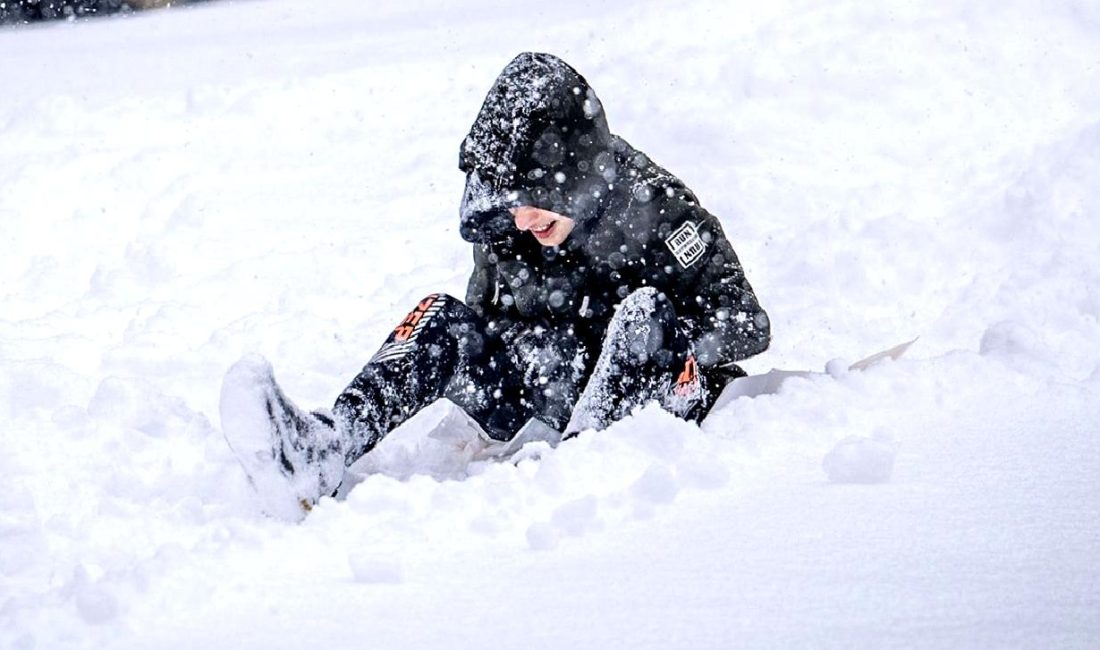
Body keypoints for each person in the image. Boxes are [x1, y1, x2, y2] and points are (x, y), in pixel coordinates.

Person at [219, 52, 770, 520]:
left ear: (573, 176)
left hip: (655, 401)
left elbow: (746, 320)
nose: (522, 220)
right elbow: (488, 315)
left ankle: (585, 469)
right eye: (512, 205)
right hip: (552, 390)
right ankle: (325, 450)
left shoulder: (653, 205)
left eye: (532, 201)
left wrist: (665, 348)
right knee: (441, 318)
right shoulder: (507, 220)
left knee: (644, 313)